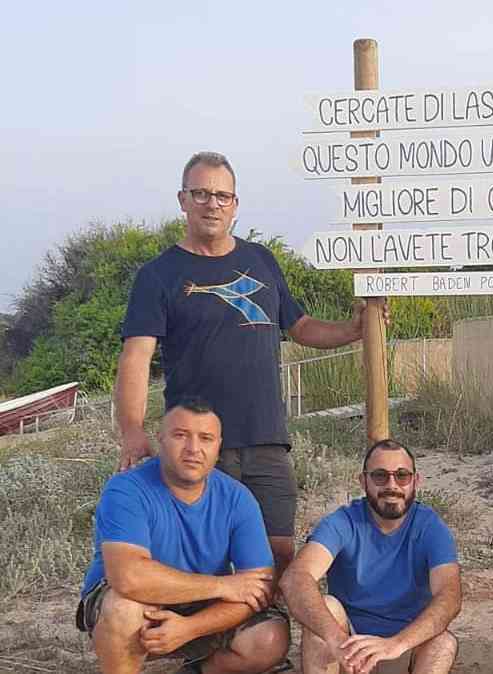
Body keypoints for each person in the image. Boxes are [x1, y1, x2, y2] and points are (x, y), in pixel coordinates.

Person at [114, 150, 385, 575]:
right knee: (206, 558)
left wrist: (353, 330)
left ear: (235, 204)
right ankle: (211, 637)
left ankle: (265, 636)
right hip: (197, 444)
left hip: (266, 438)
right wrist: (131, 431)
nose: (212, 204)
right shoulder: (158, 275)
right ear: (183, 200)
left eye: (222, 196)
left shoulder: (260, 259)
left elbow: (301, 326)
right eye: (201, 194)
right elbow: (136, 356)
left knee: (277, 553)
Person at [76, 398, 289, 674]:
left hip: (199, 605)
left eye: (206, 438)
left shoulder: (238, 498)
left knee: (270, 637)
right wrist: (223, 586)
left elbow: (257, 588)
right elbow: (128, 577)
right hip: (138, 601)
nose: (193, 449)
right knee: (122, 609)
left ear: (218, 446)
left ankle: (198, 669)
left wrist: (190, 628)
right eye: (180, 436)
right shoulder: (126, 489)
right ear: (161, 439)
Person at [280, 439, 461, 674]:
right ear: (363, 480)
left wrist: (396, 645)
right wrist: (336, 639)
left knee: (443, 643)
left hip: (404, 648)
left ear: (416, 481)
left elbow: (450, 596)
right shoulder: (343, 522)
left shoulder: (430, 527)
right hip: (348, 650)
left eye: (402, 476)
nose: (391, 485)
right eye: (380, 476)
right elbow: (295, 578)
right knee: (327, 607)